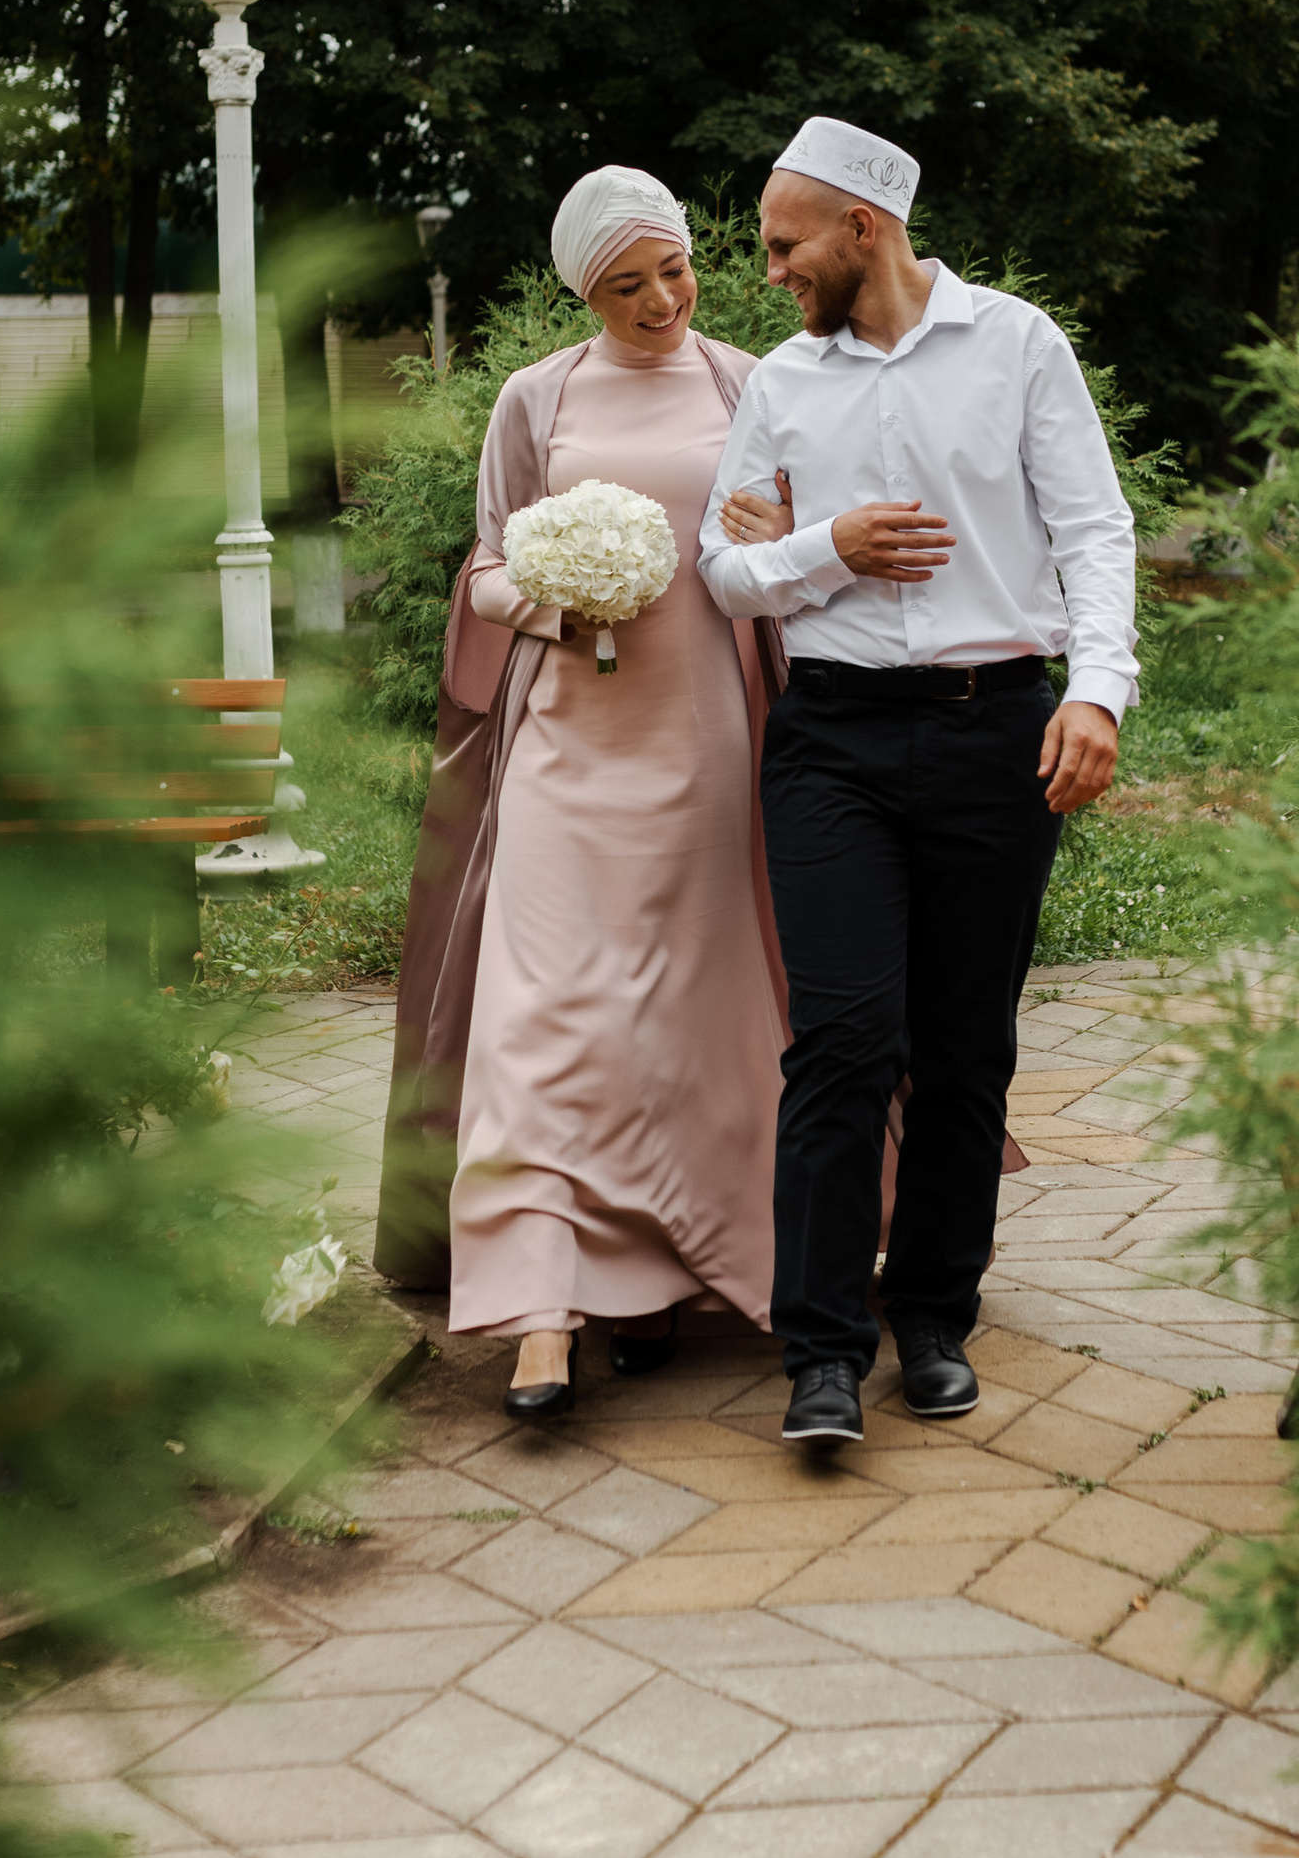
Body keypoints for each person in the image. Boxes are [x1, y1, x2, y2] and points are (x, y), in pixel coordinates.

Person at [702, 116, 1136, 1445]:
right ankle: (820, 1351)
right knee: (842, 1040)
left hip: (994, 729)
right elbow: (725, 567)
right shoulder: (779, 382)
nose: (770, 270)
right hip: (828, 736)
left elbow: (1092, 526)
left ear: (862, 229)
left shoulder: (1017, 345)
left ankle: (936, 1315)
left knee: (963, 1044)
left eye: (785, 244)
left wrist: (1098, 690)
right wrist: (826, 545)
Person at [382, 167, 789, 1421]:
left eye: (672, 269)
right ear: (583, 292)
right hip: (567, 749)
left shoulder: (749, 383)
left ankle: (661, 1280)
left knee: (683, 1020)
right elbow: (487, 573)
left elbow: (788, 554)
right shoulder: (535, 397)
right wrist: (562, 596)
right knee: (541, 1017)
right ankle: (543, 1319)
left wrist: (776, 536)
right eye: (626, 285)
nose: (660, 299)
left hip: (706, 741)